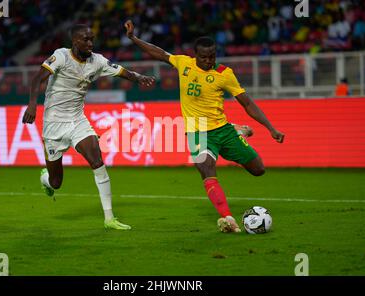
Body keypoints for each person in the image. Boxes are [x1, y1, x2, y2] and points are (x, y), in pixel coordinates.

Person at [124, 20, 285, 233]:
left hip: (223, 130)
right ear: (195, 55)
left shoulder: (224, 74)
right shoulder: (184, 63)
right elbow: (159, 53)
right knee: (207, 169)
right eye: (203, 57)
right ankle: (227, 218)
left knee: (258, 170)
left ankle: (236, 131)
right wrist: (134, 39)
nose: (208, 61)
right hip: (197, 131)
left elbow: (247, 103)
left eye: (212, 56)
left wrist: (270, 128)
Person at [22, 24, 155, 230]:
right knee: (56, 182)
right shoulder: (61, 56)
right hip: (53, 125)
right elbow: (38, 78)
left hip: (78, 122)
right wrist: (32, 104)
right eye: (86, 40)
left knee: (97, 161)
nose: (90, 43)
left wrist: (139, 78)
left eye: (92, 39)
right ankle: (45, 178)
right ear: (75, 42)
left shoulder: (98, 61)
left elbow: (121, 71)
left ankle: (109, 218)